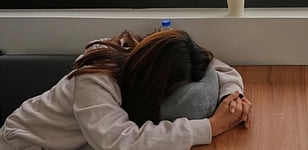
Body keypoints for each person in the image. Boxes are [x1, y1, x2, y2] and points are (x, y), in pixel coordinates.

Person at [0, 29, 252, 150]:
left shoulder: (148, 52)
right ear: (155, 80)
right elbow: (119, 142)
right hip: (25, 141)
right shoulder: (96, 80)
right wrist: (212, 126)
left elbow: (214, 66)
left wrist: (231, 96)